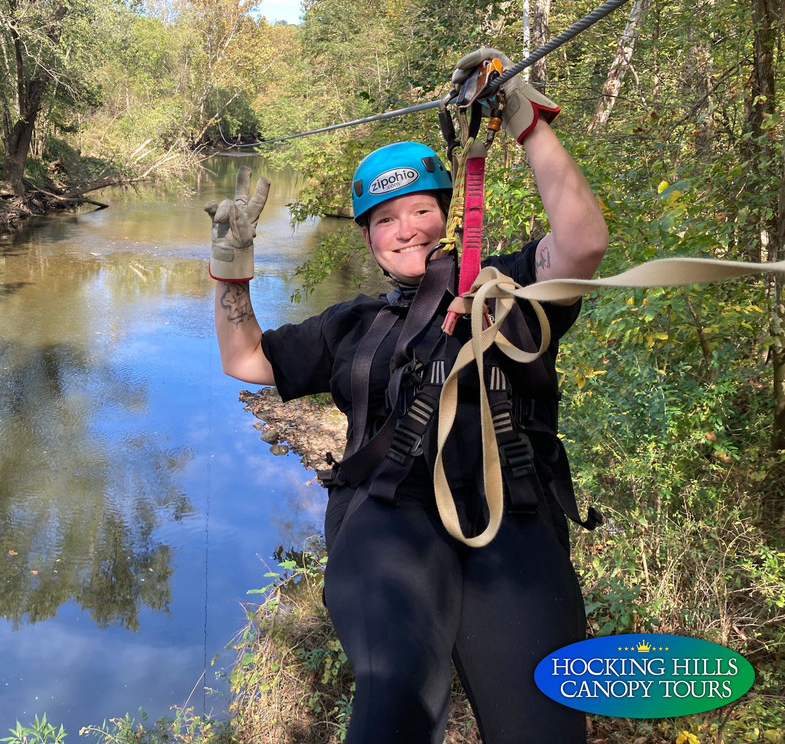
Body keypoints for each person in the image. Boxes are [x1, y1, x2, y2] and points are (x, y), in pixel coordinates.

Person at [205, 47, 608, 744]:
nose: (406, 229)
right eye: (385, 220)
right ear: (368, 238)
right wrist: (231, 268)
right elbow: (244, 359)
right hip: (387, 514)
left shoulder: (507, 290)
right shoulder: (351, 325)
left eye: (421, 210)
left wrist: (523, 117)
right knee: (393, 700)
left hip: (513, 515)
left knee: (542, 719)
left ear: (450, 216)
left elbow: (582, 245)